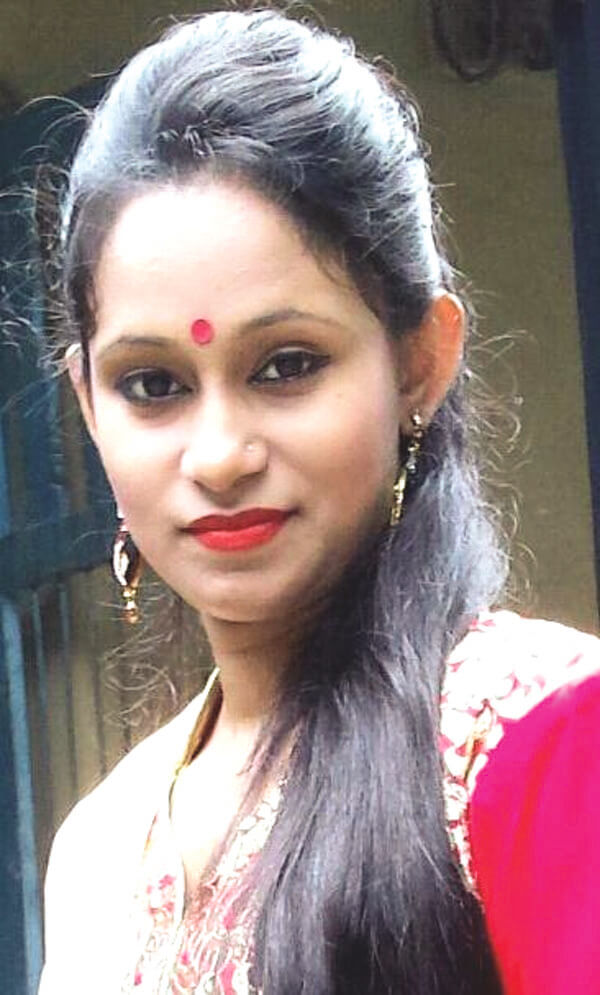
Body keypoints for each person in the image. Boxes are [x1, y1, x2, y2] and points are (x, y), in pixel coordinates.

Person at [38, 8, 600, 995]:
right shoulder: (99, 851)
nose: (220, 455)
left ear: (418, 362)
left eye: (286, 364)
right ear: (89, 405)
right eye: (153, 384)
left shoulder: (541, 739)